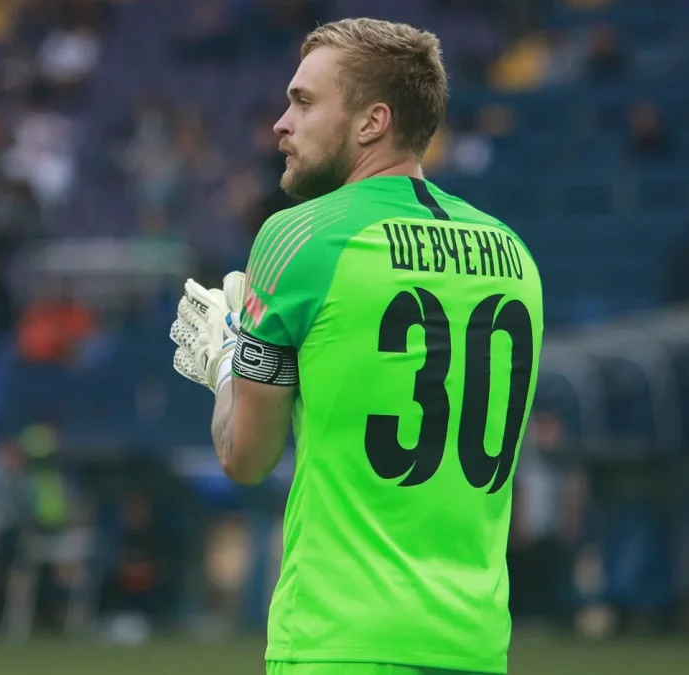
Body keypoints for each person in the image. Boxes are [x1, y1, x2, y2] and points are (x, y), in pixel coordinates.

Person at [169, 18, 544, 675]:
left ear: (373, 122)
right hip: (475, 643)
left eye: (303, 102)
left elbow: (245, 457)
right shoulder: (513, 254)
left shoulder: (298, 237)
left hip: (341, 639)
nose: (281, 123)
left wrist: (226, 361)